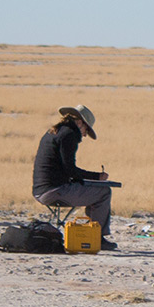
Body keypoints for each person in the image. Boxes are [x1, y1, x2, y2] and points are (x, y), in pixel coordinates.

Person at [33, 104, 117, 251]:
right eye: (86, 130)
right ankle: (97, 237)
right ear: (80, 122)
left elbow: (64, 170)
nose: (84, 135)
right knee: (104, 192)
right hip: (55, 190)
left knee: (96, 190)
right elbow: (70, 170)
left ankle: (91, 234)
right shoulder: (69, 135)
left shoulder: (54, 132)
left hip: (41, 190)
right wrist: (97, 177)